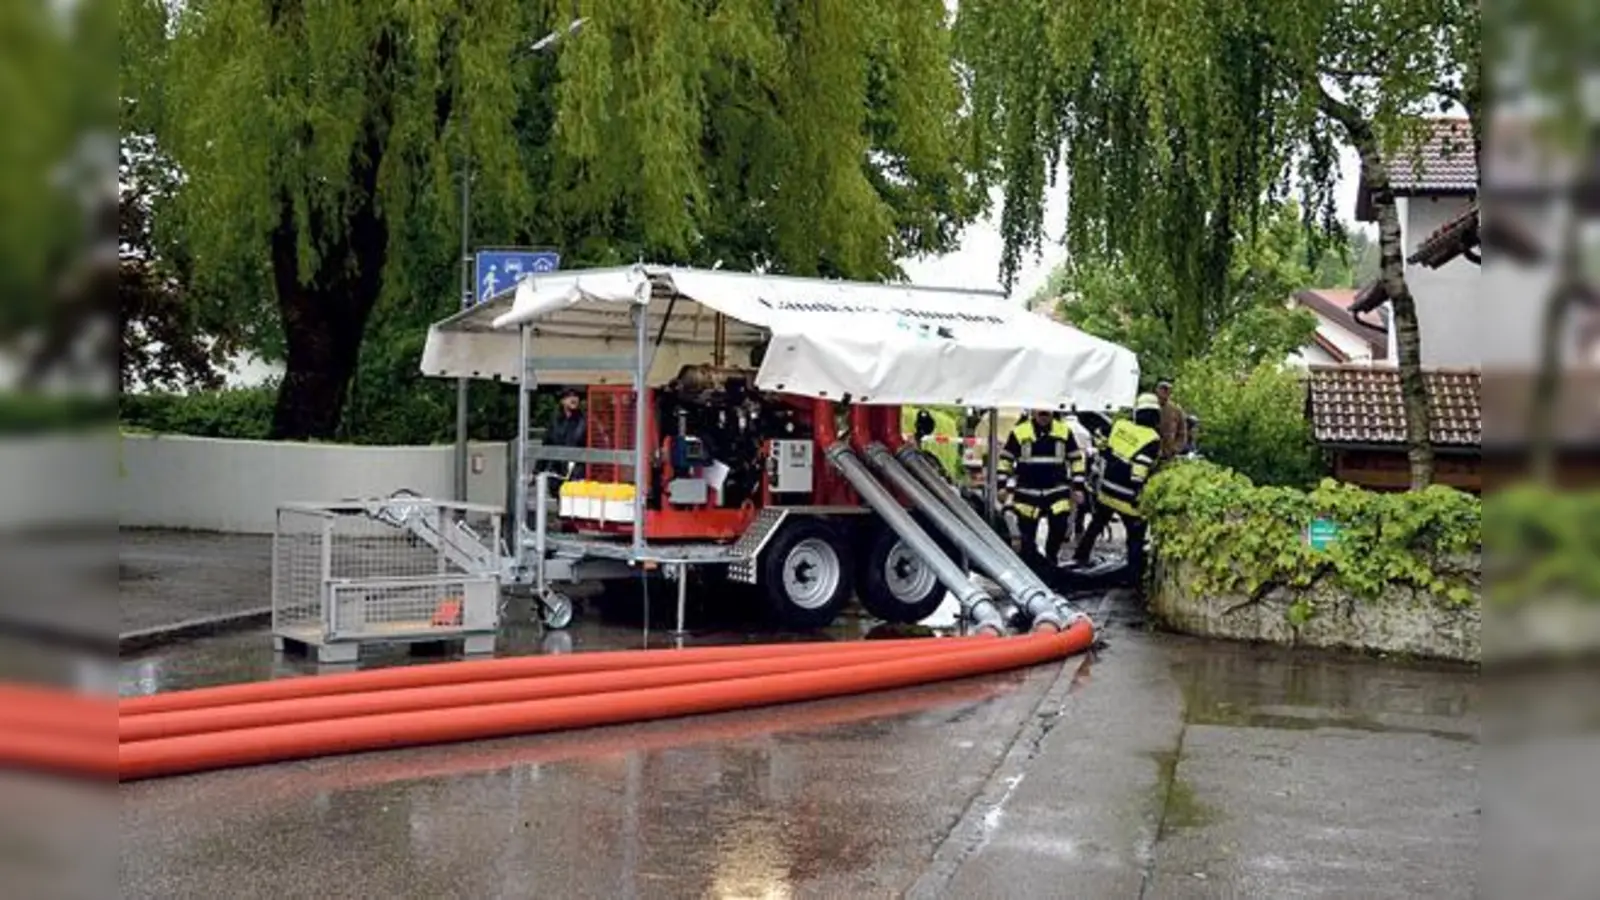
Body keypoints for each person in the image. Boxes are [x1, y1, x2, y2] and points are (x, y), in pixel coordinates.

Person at [1072, 393, 1163, 587]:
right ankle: (1133, 575)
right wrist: (1139, 494)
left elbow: (1102, 444)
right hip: (1127, 497)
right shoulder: (1152, 438)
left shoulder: (1120, 425)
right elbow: (1139, 471)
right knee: (1135, 535)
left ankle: (1080, 557)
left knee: (1096, 524)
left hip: (1106, 491)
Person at [998, 408, 1087, 578]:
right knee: (1027, 535)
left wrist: (1078, 487)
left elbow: (1076, 460)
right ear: (1033, 413)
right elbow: (1005, 460)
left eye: (1047, 413)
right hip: (1027, 492)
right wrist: (1001, 486)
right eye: (1041, 413)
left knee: (1060, 525)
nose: (1044, 416)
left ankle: (1051, 560)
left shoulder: (1063, 431)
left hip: (1056, 490)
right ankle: (1030, 569)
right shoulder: (1019, 432)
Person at [537, 387, 588, 490]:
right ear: (562, 401)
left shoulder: (585, 421)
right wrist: (537, 470)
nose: (573, 399)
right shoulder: (555, 422)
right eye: (569, 396)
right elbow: (546, 445)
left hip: (577, 472)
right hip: (557, 471)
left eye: (575, 396)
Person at [1155, 379, 1188, 462]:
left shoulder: (1176, 410)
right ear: (1157, 390)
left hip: (1167, 454)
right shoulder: (1150, 406)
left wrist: (1175, 449)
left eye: (1167, 390)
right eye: (1162, 389)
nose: (1164, 392)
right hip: (1150, 449)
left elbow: (1182, 432)